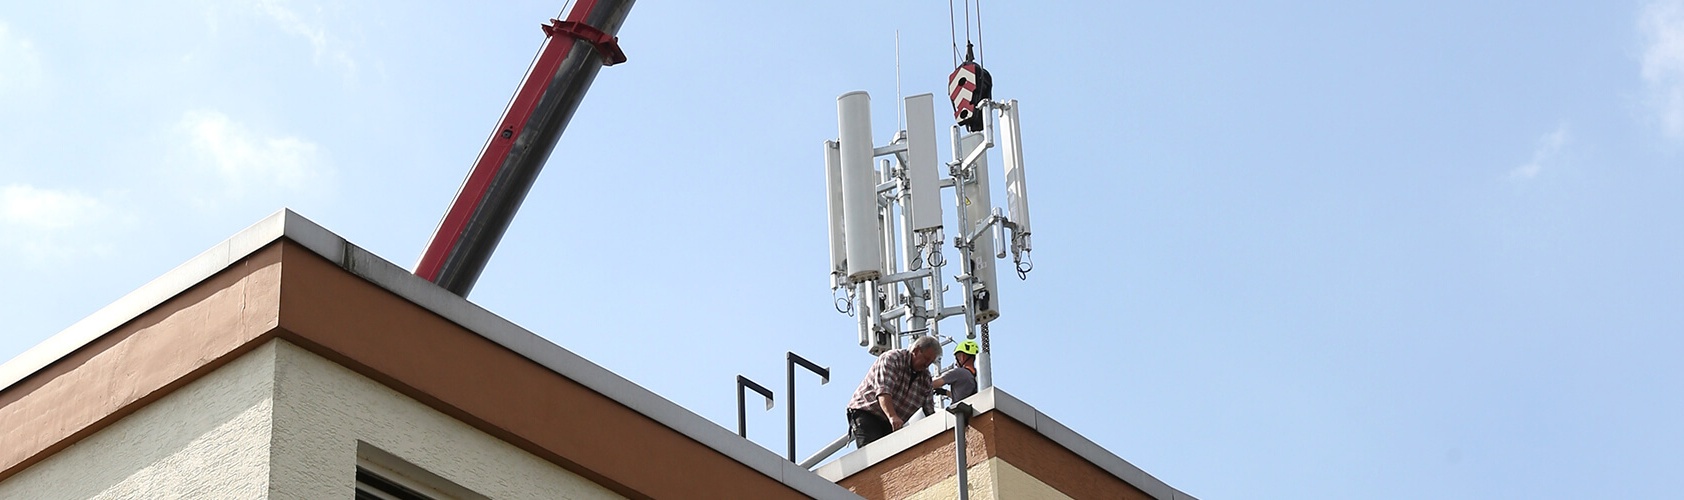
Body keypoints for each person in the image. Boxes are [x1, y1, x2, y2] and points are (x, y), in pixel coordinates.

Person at [844, 335, 940, 447]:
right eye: (926, 359)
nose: (926, 364)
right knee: (872, 450)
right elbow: (884, 391)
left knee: (891, 452)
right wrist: (892, 416)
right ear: (916, 350)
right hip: (868, 412)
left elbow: (929, 411)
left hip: (892, 422)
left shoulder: (925, 379)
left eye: (930, 362)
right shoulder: (892, 359)